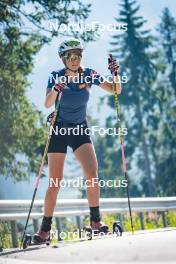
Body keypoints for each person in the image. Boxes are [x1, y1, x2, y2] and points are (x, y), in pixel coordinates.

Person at [33, 39, 121, 243]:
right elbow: (47, 104)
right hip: (59, 130)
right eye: (70, 57)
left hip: (80, 128)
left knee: (92, 174)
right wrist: (56, 88)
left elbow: (115, 90)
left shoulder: (89, 74)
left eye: (78, 56)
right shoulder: (56, 76)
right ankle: (45, 230)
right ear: (63, 59)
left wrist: (115, 74)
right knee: (55, 182)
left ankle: (96, 222)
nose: (75, 60)